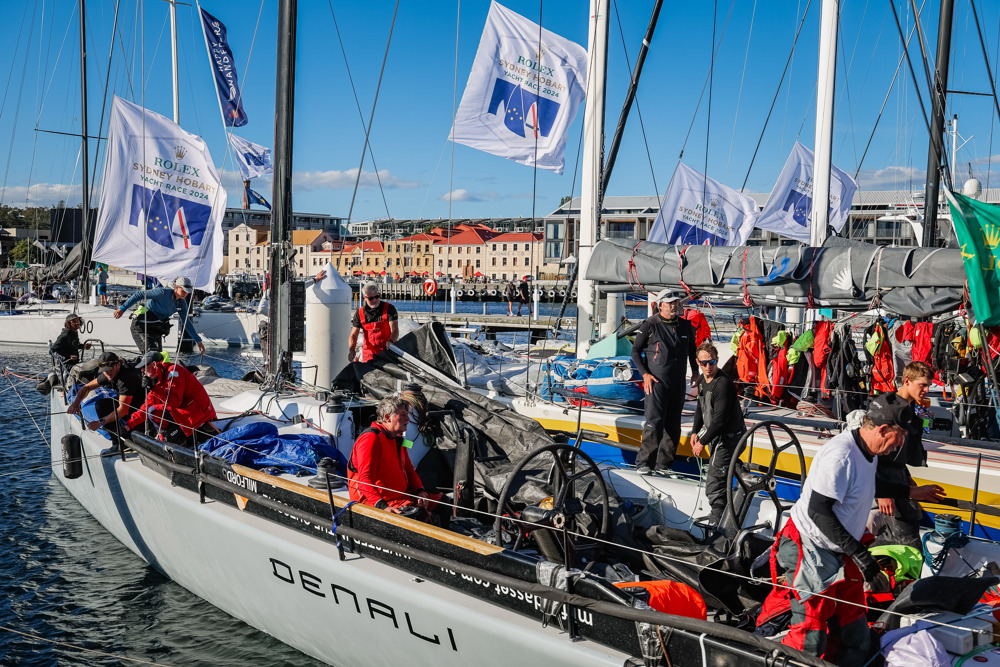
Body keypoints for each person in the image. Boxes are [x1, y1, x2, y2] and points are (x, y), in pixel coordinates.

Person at [758, 393, 912, 665]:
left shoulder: (869, 451)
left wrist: (910, 492)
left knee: (855, 632)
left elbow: (864, 486)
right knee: (810, 636)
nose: (899, 446)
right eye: (898, 438)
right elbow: (819, 510)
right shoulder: (841, 455)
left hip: (841, 548)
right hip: (811, 546)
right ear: (882, 429)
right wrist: (860, 555)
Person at [871, 361, 946, 548]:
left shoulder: (909, 408)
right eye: (923, 385)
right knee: (909, 544)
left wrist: (907, 477)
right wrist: (883, 493)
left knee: (900, 536)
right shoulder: (888, 408)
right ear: (907, 381)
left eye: (928, 386)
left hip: (896, 480)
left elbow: (896, 454)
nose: (926, 390)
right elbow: (872, 452)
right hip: (884, 483)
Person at [631, 288, 698, 474]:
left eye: (676, 302)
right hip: (656, 382)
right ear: (661, 305)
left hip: (678, 382)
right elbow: (635, 351)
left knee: (673, 428)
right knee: (654, 423)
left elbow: (692, 351)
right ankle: (644, 463)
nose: (674, 306)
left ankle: (664, 466)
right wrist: (645, 374)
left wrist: (695, 371)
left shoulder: (685, 326)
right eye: (670, 303)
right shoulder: (650, 325)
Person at [347, 395, 439, 520]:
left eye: (407, 414)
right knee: (423, 516)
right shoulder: (371, 439)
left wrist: (419, 491)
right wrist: (382, 506)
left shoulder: (398, 439)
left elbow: (409, 469)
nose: (408, 419)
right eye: (402, 415)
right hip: (375, 500)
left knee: (442, 503)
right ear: (387, 417)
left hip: (399, 496)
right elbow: (364, 479)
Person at [688, 341, 746, 523]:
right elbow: (700, 407)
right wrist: (694, 432)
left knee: (714, 479)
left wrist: (702, 442)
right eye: (704, 363)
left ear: (717, 361)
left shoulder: (723, 384)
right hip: (716, 436)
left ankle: (717, 517)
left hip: (730, 438)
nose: (708, 367)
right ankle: (744, 477)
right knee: (722, 466)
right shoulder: (702, 381)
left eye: (712, 362)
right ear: (698, 362)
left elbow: (720, 420)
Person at [124, 351, 218, 447]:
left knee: (154, 411)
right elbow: (147, 406)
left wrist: (153, 388)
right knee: (152, 410)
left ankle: (179, 441)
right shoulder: (158, 379)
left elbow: (175, 401)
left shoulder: (174, 372)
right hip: (188, 413)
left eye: (144, 366)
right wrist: (129, 425)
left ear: (154, 364)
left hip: (200, 414)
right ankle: (173, 438)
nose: (142, 370)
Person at [66, 352, 146, 452]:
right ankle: (119, 438)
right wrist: (76, 404)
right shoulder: (109, 374)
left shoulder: (125, 378)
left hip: (141, 414)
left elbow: (123, 410)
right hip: (130, 406)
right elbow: (86, 387)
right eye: (104, 371)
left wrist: (100, 422)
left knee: (102, 406)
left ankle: (121, 443)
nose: (107, 373)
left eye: (109, 370)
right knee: (101, 404)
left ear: (118, 364)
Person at [114, 276, 205, 355]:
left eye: (188, 291)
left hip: (156, 327)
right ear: (176, 288)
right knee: (150, 354)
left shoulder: (182, 304)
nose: (186, 293)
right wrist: (122, 309)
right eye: (183, 290)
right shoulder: (162, 293)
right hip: (141, 325)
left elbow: (186, 323)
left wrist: (198, 341)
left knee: (157, 356)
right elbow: (139, 294)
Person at [348, 281, 399, 363]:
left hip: (387, 352)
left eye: (377, 297)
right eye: (371, 298)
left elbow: (395, 329)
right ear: (364, 297)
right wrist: (352, 349)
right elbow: (354, 334)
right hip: (369, 355)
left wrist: (391, 341)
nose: (375, 300)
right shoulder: (360, 313)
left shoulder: (389, 308)